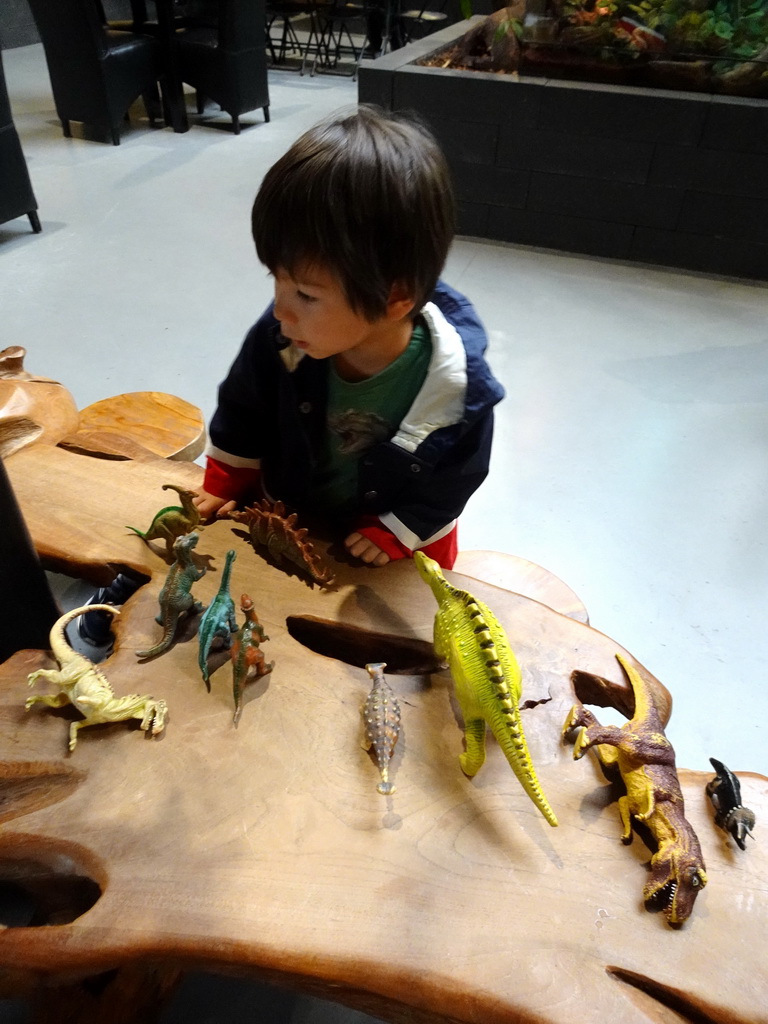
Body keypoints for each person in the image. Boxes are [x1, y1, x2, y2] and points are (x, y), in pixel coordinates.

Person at [193, 104, 504, 570]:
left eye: (305, 294)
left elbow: (457, 474)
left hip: (396, 538)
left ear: (394, 298)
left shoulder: (459, 388)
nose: (280, 311)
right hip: (296, 514)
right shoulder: (281, 340)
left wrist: (399, 527)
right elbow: (244, 407)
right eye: (275, 280)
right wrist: (227, 477)